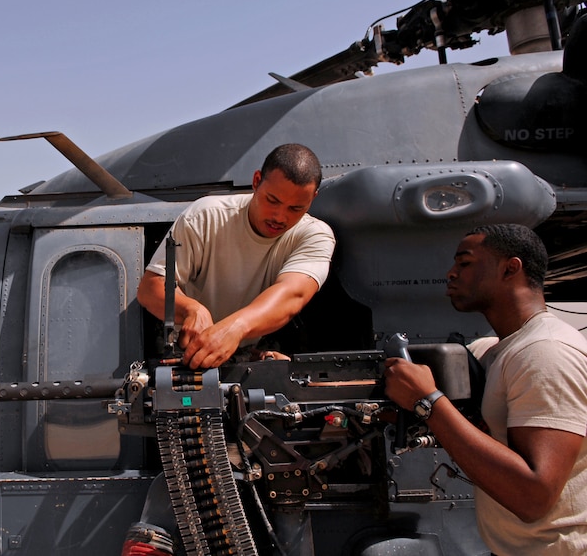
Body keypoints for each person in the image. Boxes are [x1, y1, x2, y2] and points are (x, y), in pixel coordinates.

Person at [384, 224, 587, 555]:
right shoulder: (492, 351)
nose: (451, 273)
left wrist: (427, 402)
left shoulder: (546, 351)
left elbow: (534, 496)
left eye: (465, 263)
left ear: (511, 268)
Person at [137, 142, 335, 369]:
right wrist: (191, 310)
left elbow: (291, 296)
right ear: (256, 181)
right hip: (186, 353)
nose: (280, 217)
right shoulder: (205, 217)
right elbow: (151, 288)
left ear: (313, 198)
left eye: (296, 208)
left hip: (251, 353)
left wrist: (235, 329)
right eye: (273, 201)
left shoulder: (315, 236)